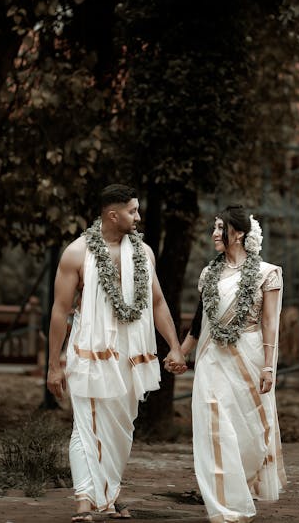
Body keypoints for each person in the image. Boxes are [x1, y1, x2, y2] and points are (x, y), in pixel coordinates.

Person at [47, 184, 187, 523]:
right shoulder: (77, 253)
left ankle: (106, 499)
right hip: (89, 351)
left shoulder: (145, 254)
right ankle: (84, 498)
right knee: (86, 425)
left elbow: (156, 302)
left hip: (131, 356)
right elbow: (59, 311)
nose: (138, 217)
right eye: (132, 211)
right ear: (113, 215)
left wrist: (175, 346)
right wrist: (53, 364)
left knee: (122, 428)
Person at [178, 205, 286, 522]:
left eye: (220, 228)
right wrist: (180, 352)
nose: (214, 234)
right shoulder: (208, 274)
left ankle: (241, 486)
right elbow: (199, 322)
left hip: (250, 358)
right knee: (213, 427)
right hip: (211, 359)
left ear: (237, 234)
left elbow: (270, 324)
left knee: (249, 434)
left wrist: (268, 366)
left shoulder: (268, 273)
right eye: (214, 227)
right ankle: (225, 507)